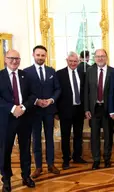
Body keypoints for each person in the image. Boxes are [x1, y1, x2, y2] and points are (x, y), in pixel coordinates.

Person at [0, 50, 36, 192]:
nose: (14, 61)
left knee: (25, 149)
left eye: (17, 58)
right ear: (5, 59)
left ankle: (26, 176)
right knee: (5, 151)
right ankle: (6, 179)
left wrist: (23, 107)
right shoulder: (0, 76)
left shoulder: (25, 75)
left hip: (25, 117)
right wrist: (12, 108)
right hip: (6, 120)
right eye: (11, 58)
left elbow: (33, 95)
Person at [24, 45, 61, 178]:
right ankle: (38, 167)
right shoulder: (26, 72)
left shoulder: (51, 71)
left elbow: (57, 89)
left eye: (42, 55)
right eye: (38, 55)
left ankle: (50, 164)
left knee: (50, 138)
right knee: (36, 139)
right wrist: (37, 101)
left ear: (46, 56)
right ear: (33, 55)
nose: (40, 57)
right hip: (34, 111)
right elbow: (25, 92)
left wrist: (51, 100)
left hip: (49, 110)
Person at [84, 49, 114, 170]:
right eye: (97, 56)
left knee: (108, 135)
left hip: (108, 109)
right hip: (94, 109)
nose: (100, 58)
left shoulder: (113, 71)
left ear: (106, 57)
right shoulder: (90, 71)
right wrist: (86, 109)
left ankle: (107, 158)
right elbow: (86, 92)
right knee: (94, 136)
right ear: (94, 58)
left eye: (102, 56)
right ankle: (96, 159)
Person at [56, 52, 87, 170]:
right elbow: (57, 93)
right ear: (67, 60)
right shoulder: (59, 74)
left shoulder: (82, 73)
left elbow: (84, 92)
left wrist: (85, 109)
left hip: (79, 109)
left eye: (75, 61)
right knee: (66, 136)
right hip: (65, 110)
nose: (73, 63)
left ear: (78, 62)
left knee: (78, 135)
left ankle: (77, 156)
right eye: (71, 61)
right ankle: (66, 159)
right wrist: (56, 112)